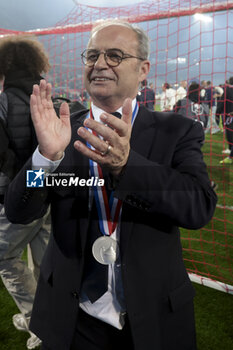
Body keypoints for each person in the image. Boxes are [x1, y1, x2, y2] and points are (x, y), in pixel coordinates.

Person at [5, 20, 217, 350]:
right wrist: (44, 159)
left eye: (115, 55)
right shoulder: (61, 131)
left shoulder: (177, 131)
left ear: (143, 69)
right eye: (92, 55)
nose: (100, 63)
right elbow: (18, 210)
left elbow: (199, 207)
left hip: (153, 318)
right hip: (72, 319)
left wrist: (127, 165)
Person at [0, 35, 51, 349]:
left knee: (4, 258)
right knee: (46, 261)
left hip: (17, 195)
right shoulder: (46, 94)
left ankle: (39, 322)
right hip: (47, 188)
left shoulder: (4, 101)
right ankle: (56, 319)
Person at [216, 77, 233, 164]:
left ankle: (230, 153)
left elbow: (222, 103)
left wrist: (217, 114)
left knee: (230, 133)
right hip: (229, 115)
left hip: (229, 116)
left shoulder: (227, 90)